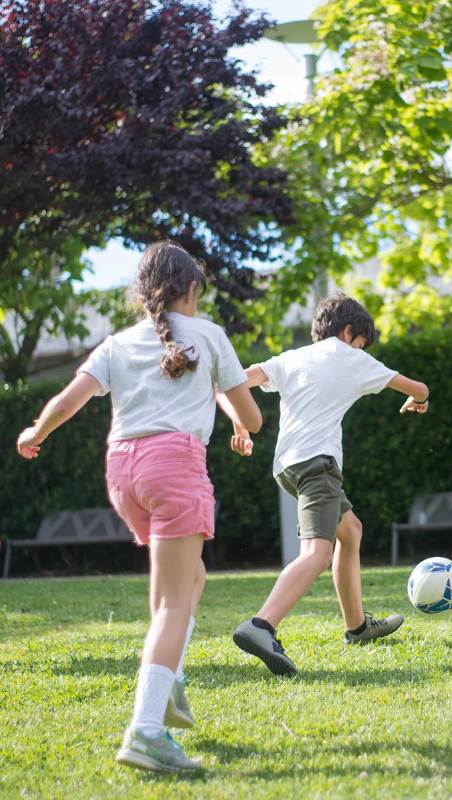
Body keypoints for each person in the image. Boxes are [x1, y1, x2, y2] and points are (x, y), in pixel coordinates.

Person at [16, 241, 261, 773]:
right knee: (177, 601)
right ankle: (147, 731)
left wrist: (36, 431)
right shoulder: (210, 335)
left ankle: (167, 680)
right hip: (174, 466)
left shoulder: (119, 342)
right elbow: (253, 417)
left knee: (185, 581)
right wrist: (242, 422)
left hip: (123, 472)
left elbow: (68, 401)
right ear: (191, 289)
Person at [230, 293, 429, 676]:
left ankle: (357, 627)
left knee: (350, 531)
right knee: (318, 554)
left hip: (287, 466)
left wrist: (240, 424)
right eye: (360, 343)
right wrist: (418, 401)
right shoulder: (352, 357)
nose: (360, 350)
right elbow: (418, 387)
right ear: (349, 332)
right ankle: (261, 626)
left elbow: (240, 381)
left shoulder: (291, 357)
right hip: (317, 465)